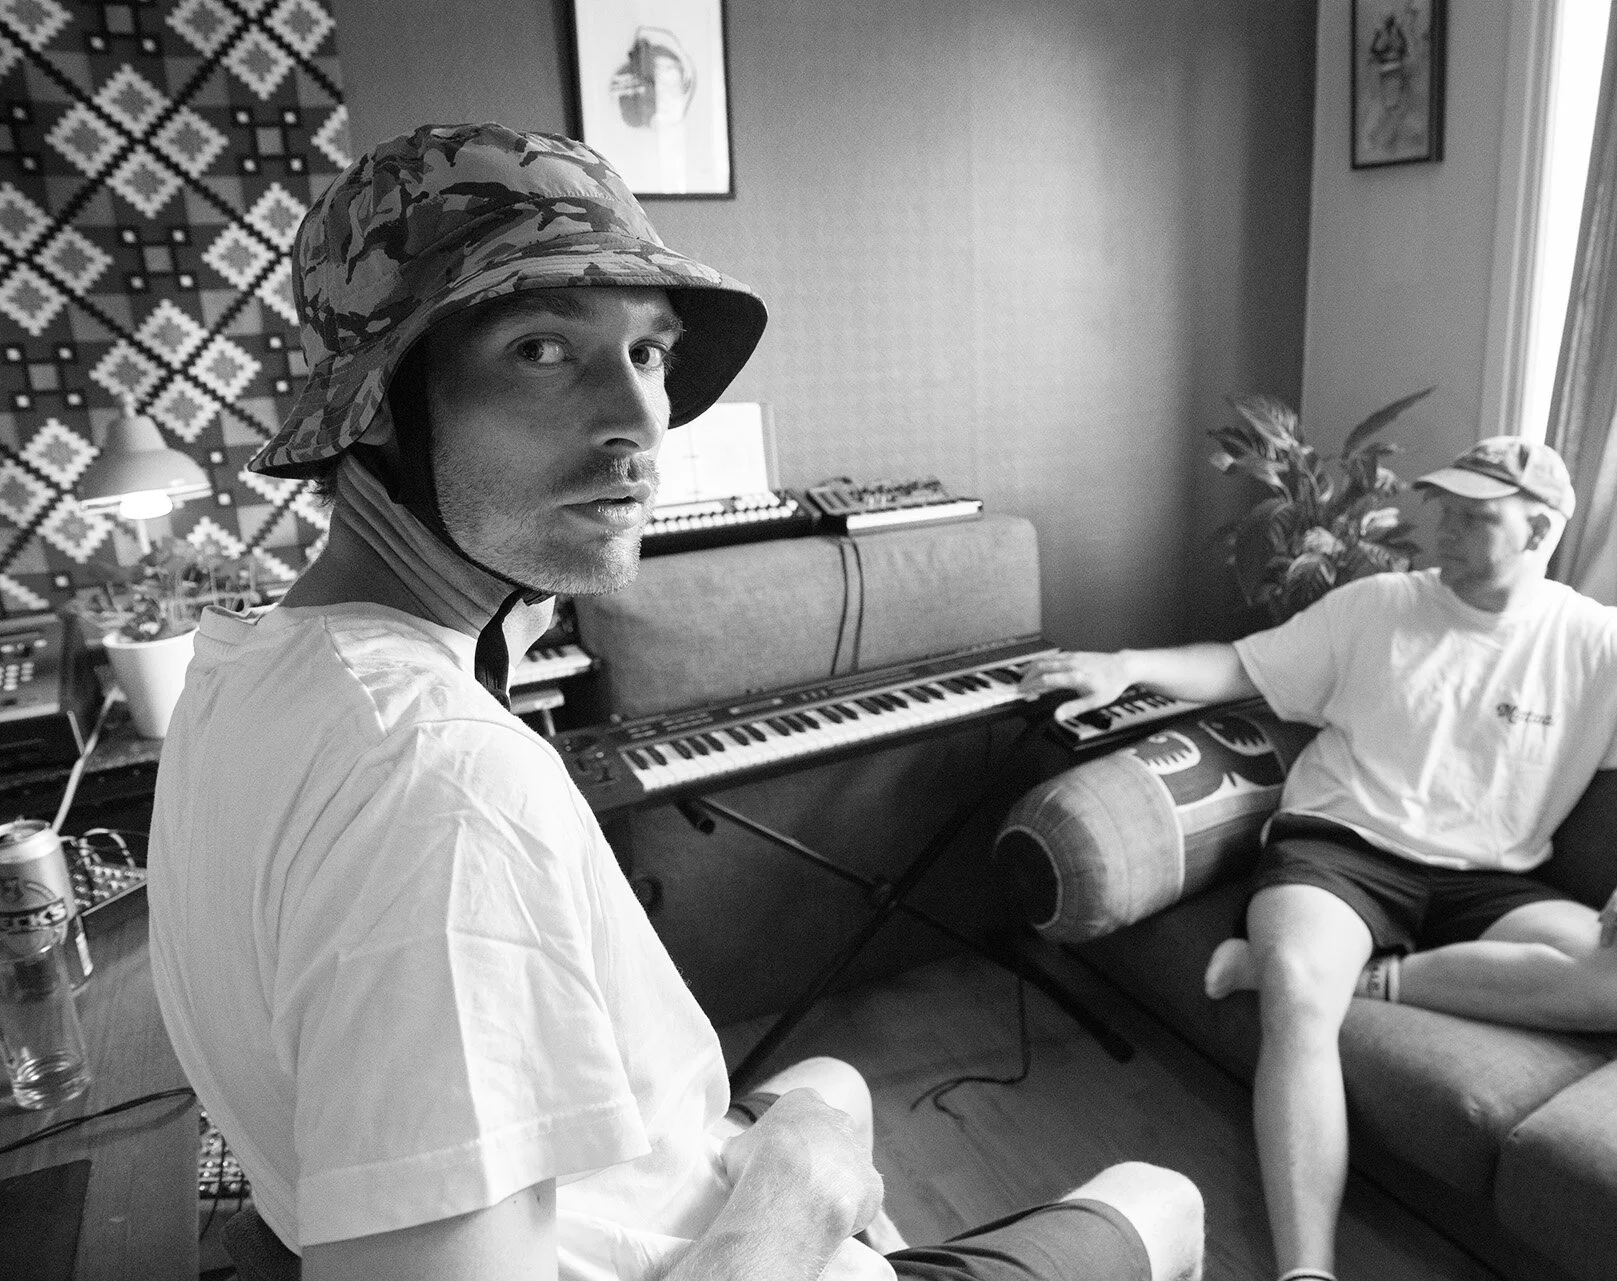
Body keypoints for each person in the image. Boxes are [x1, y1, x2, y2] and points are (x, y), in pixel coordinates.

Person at [148, 123, 1203, 1281]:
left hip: (631, 1194)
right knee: (1164, 1197)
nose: (643, 416)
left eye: (649, 351)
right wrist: (801, 1194)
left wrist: (799, 1146)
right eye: (542, 349)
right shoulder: (441, 780)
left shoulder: (240, 673)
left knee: (829, 1084)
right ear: (377, 411)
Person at [1019, 437, 1617, 1281]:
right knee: (1300, 994)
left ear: (1538, 532)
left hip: (1489, 879)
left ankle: (1359, 976)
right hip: (1341, 850)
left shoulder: (1601, 643)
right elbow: (1240, 665)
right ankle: (1306, 1271)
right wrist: (1124, 665)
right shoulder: (1377, 606)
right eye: (1442, 508)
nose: (1442, 528)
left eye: (1472, 516)